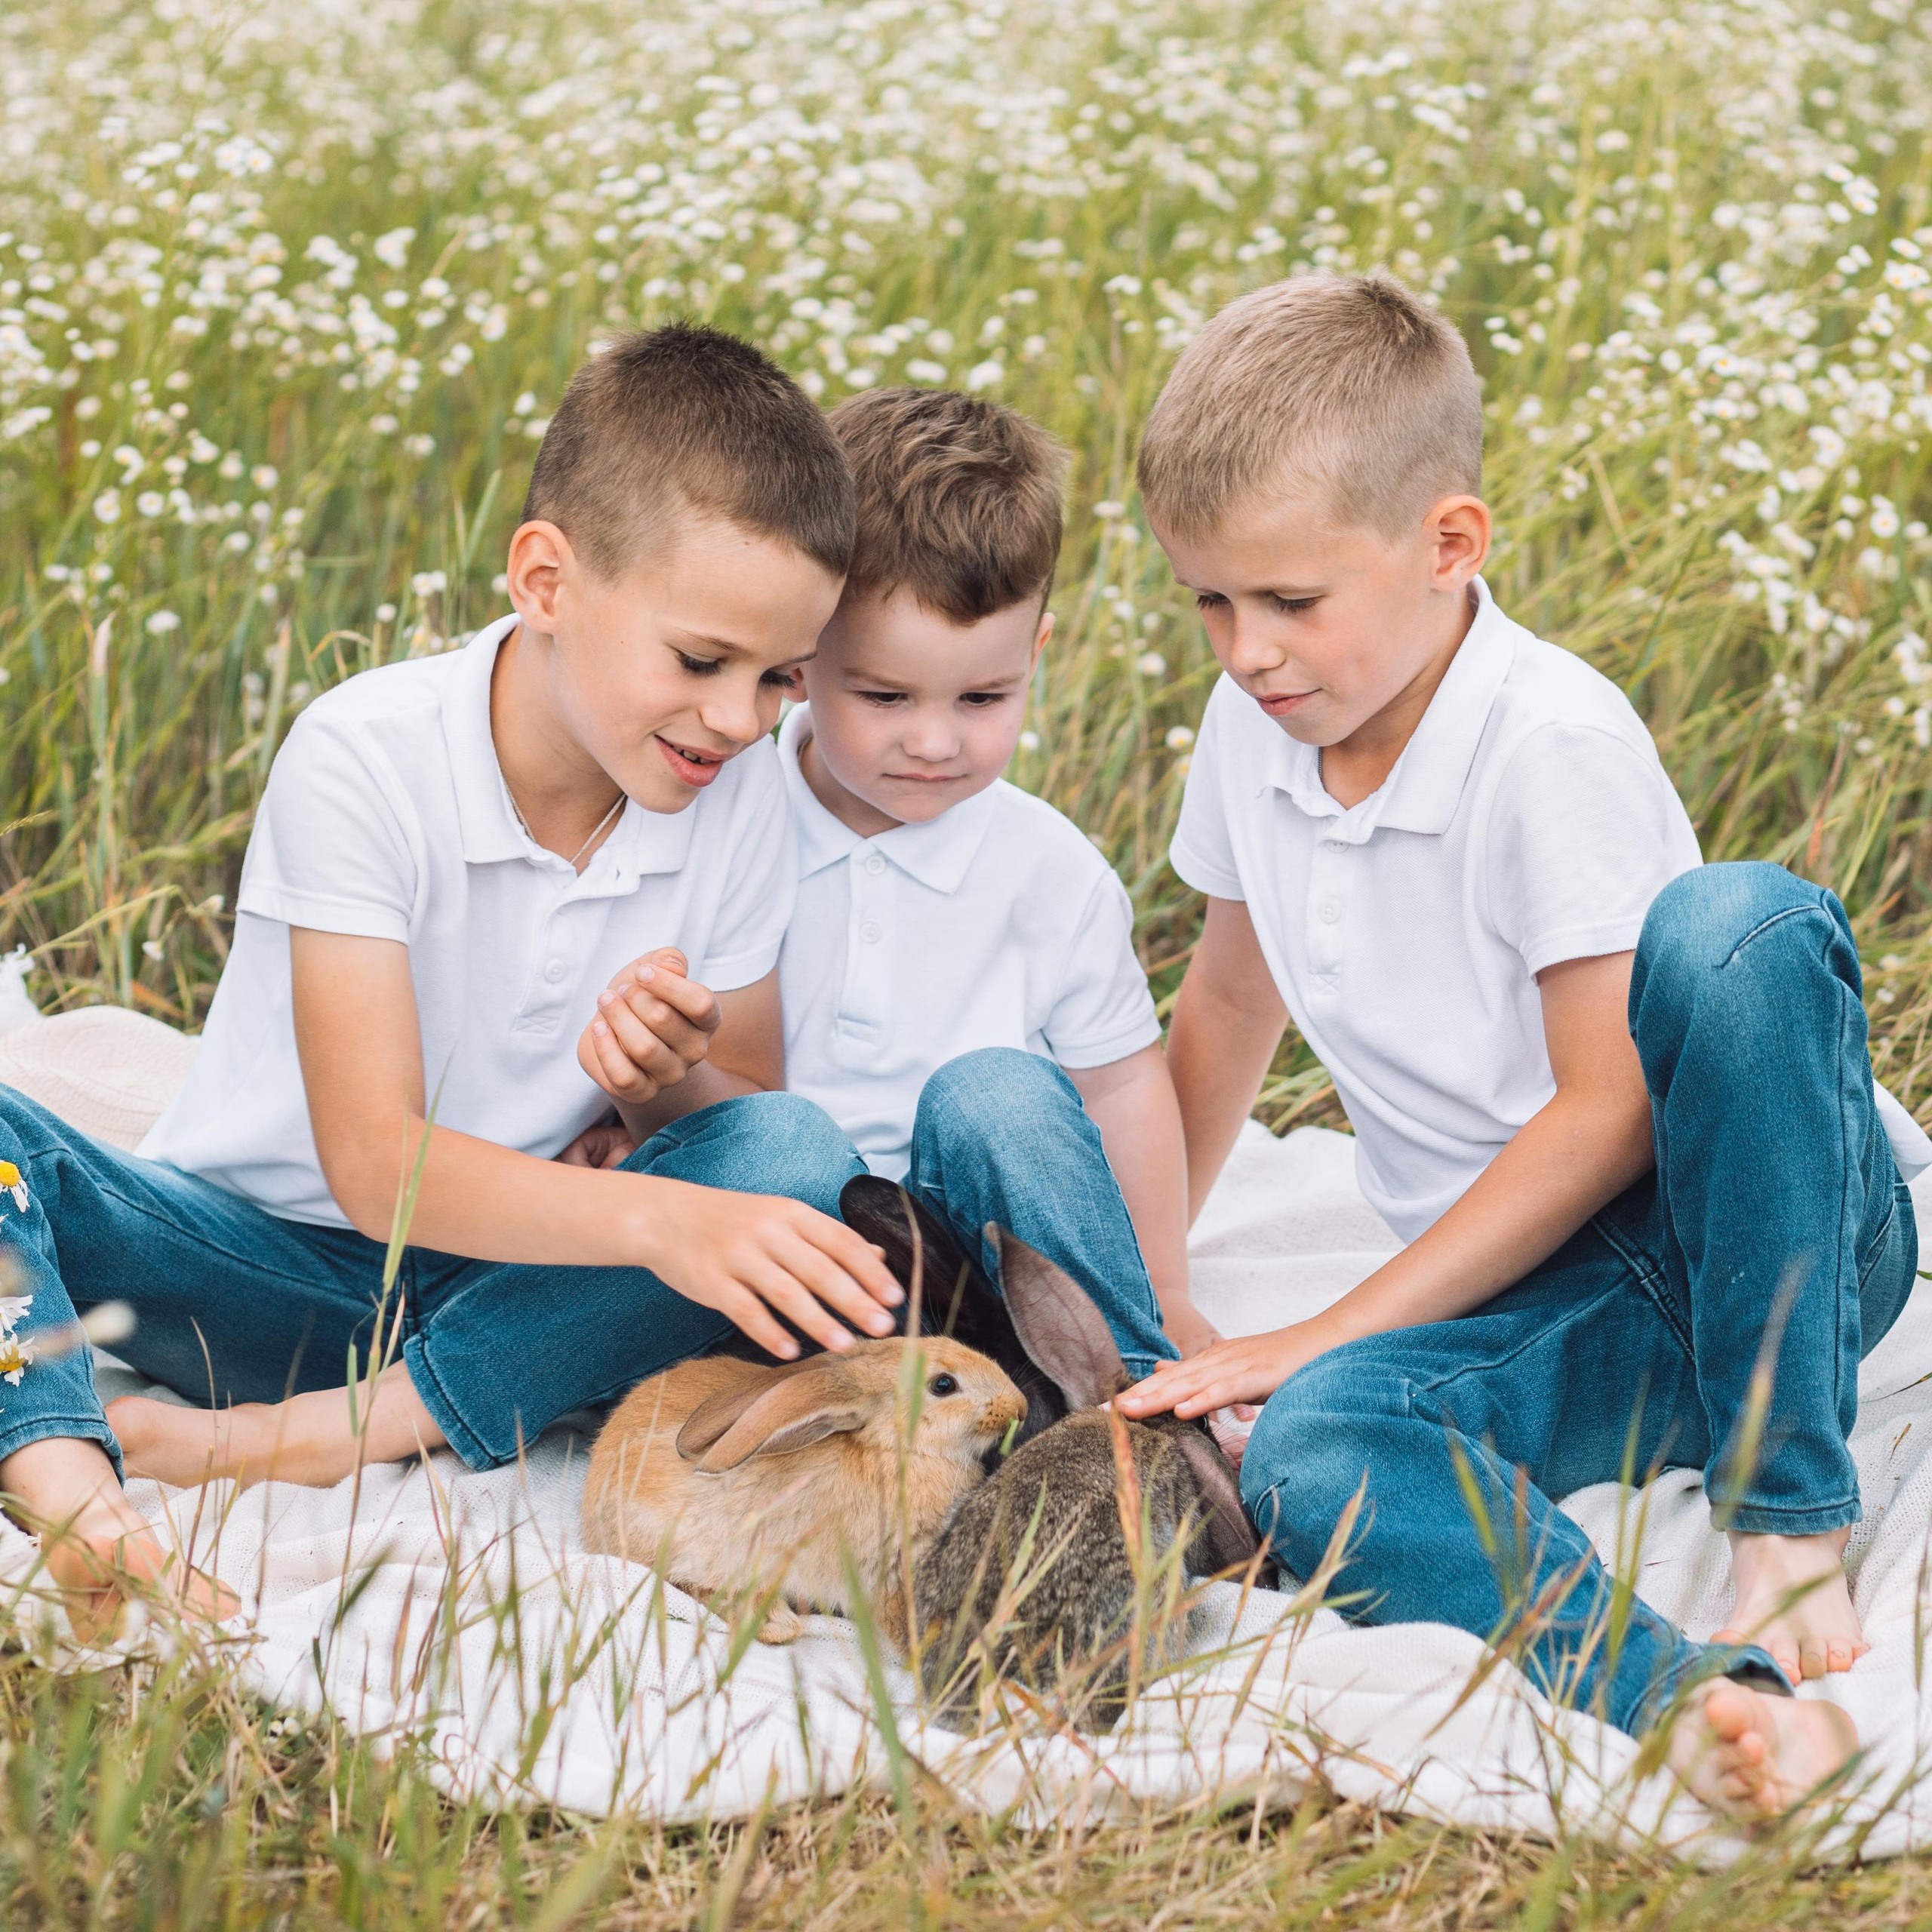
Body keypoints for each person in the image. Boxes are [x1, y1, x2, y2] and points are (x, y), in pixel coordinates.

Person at [1112, 272, 1932, 1818]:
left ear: (1448, 545)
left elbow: (1609, 1109)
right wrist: (1160, 1296)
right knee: (1316, 1443)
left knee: (1737, 924)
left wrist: (1325, 1322)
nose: (1245, 650)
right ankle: (1685, 1697)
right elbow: (1223, 1003)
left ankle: (1786, 1506)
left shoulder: (1545, 741)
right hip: (1558, 1306)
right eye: (1209, 602)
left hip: (1750, 1227)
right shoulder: (1257, 730)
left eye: (1290, 602)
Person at [0, 323, 906, 1634]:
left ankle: (304, 1439)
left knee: (795, 1152)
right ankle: (73, 1486)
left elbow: (743, 1119)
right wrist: (662, 1222)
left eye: (780, 679)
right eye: (702, 662)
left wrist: (662, 1086)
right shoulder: (366, 756)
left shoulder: (740, 792)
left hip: (531, 1286)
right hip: (260, 1273)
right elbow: (376, 1165)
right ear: (546, 580)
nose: (740, 718)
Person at [774, 385, 1204, 1376]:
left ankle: (1122, 1386)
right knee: (767, 1139)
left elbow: (1124, 1086)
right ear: (799, 655)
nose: (935, 742)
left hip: (990, 1264)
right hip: (796, 1254)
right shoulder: (723, 819)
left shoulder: (1048, 869)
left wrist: (1167, 1288)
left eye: (982, 697)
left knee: (999, 1095)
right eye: (886, 696)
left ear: (1035, 656)